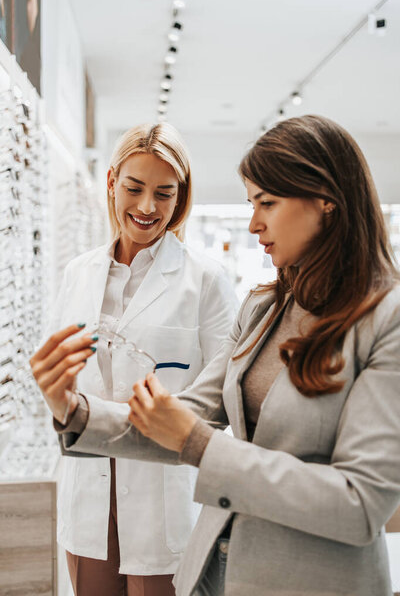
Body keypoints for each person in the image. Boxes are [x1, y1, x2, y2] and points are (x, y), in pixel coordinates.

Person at [32, 115, 400, 596]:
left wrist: (201, 445)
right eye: (251, 203)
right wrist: (74, 410)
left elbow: (361, 503)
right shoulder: (265, 308)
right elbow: (183, 415)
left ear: (326, 202)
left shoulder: (385, 321)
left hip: (315, 579)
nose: (253, 223)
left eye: (266, 203)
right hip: (224, 571)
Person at [30, 122, 237, 596]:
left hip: (163, 495)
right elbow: (61, 379)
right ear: (111, 182)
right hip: (88, 490)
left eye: (164, 194)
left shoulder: (206, 280)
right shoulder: (78, 273)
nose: (147, 207)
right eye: (134, 188)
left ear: (179, 198)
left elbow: (224, 403)